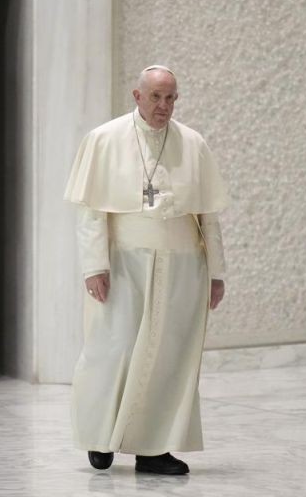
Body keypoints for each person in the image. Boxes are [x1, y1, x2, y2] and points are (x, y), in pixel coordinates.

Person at [64, 65, 229, 475]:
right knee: (112, 350)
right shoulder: (104, 140)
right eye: (156, 97)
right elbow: (91, 213)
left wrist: (217, 272)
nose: (164, 106)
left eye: (171, 98)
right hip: (124, 262)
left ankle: (154, 449)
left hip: (183, 265)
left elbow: (208, 216)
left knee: (169, 358)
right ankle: (101, 438)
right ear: (137, 96)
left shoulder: (193, 143)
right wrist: (93, 266)